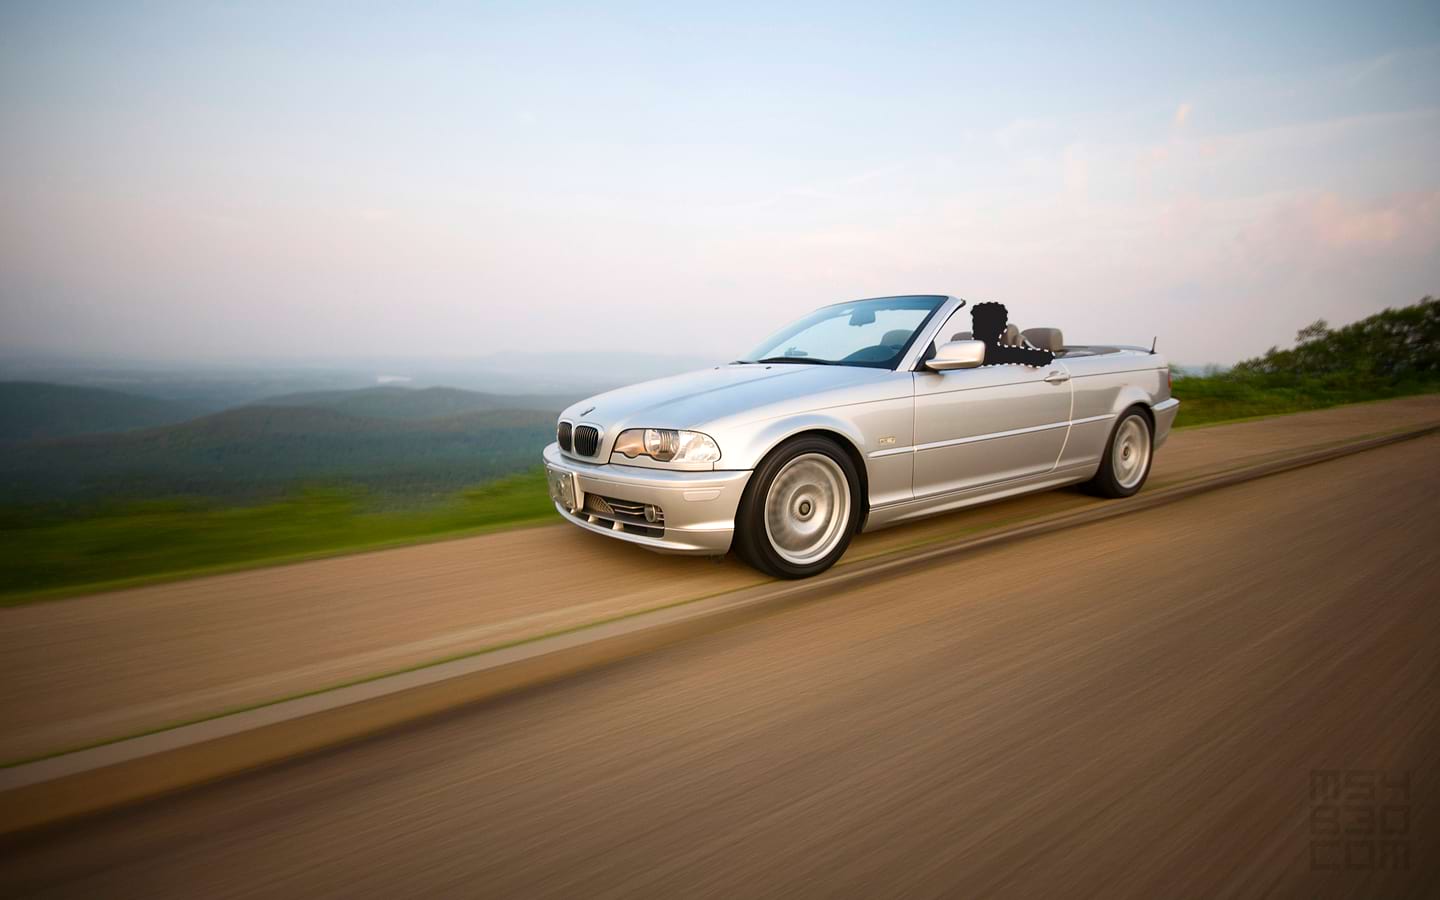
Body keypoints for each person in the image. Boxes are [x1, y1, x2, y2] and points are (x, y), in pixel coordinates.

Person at [969, 301, 1054, 367]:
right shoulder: (1011, 354)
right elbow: (1046, 358)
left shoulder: (968, 357)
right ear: (1002, 329)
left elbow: (1046, 358)